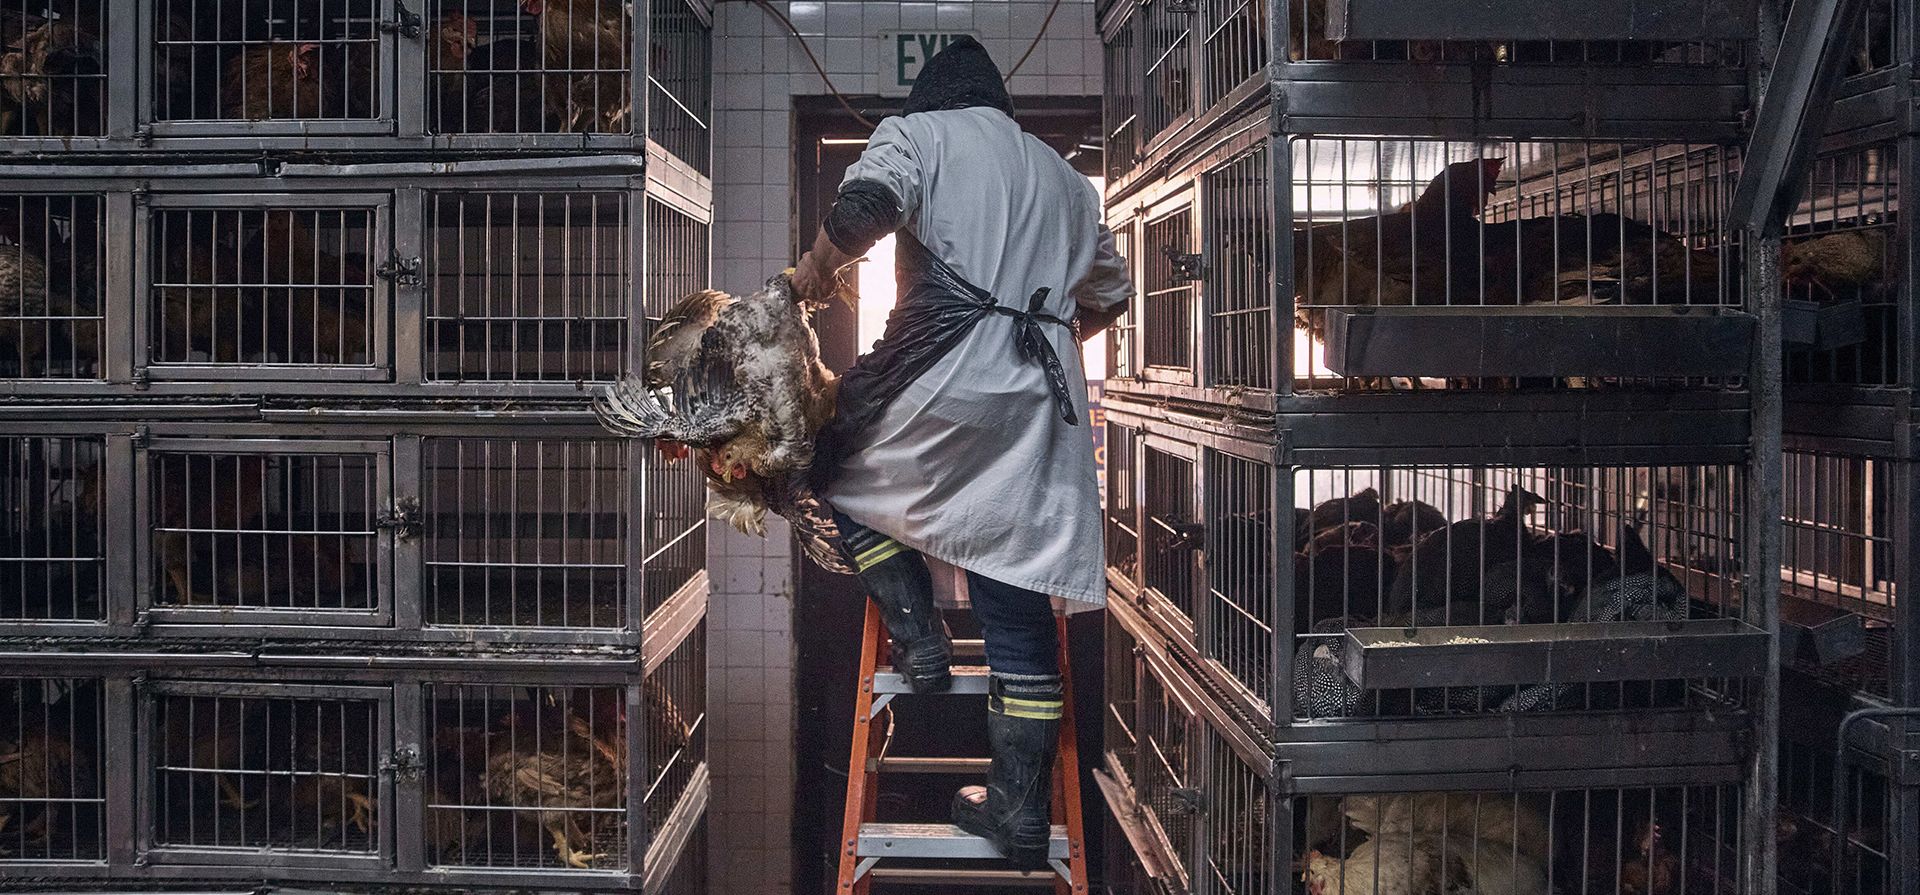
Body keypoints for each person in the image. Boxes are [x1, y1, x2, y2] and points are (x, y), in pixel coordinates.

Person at [790, 37, 1133, 870]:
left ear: (932, 99)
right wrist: (1036, 338)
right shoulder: (1063, 177)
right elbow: (1111, 295)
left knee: (822, 461)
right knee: (1014, 584)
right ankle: (1019, 810)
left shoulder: (921, 136)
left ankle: (919, 635)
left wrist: (807, 278)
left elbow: (862, 211)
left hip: (938, 382)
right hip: (1039, 412)